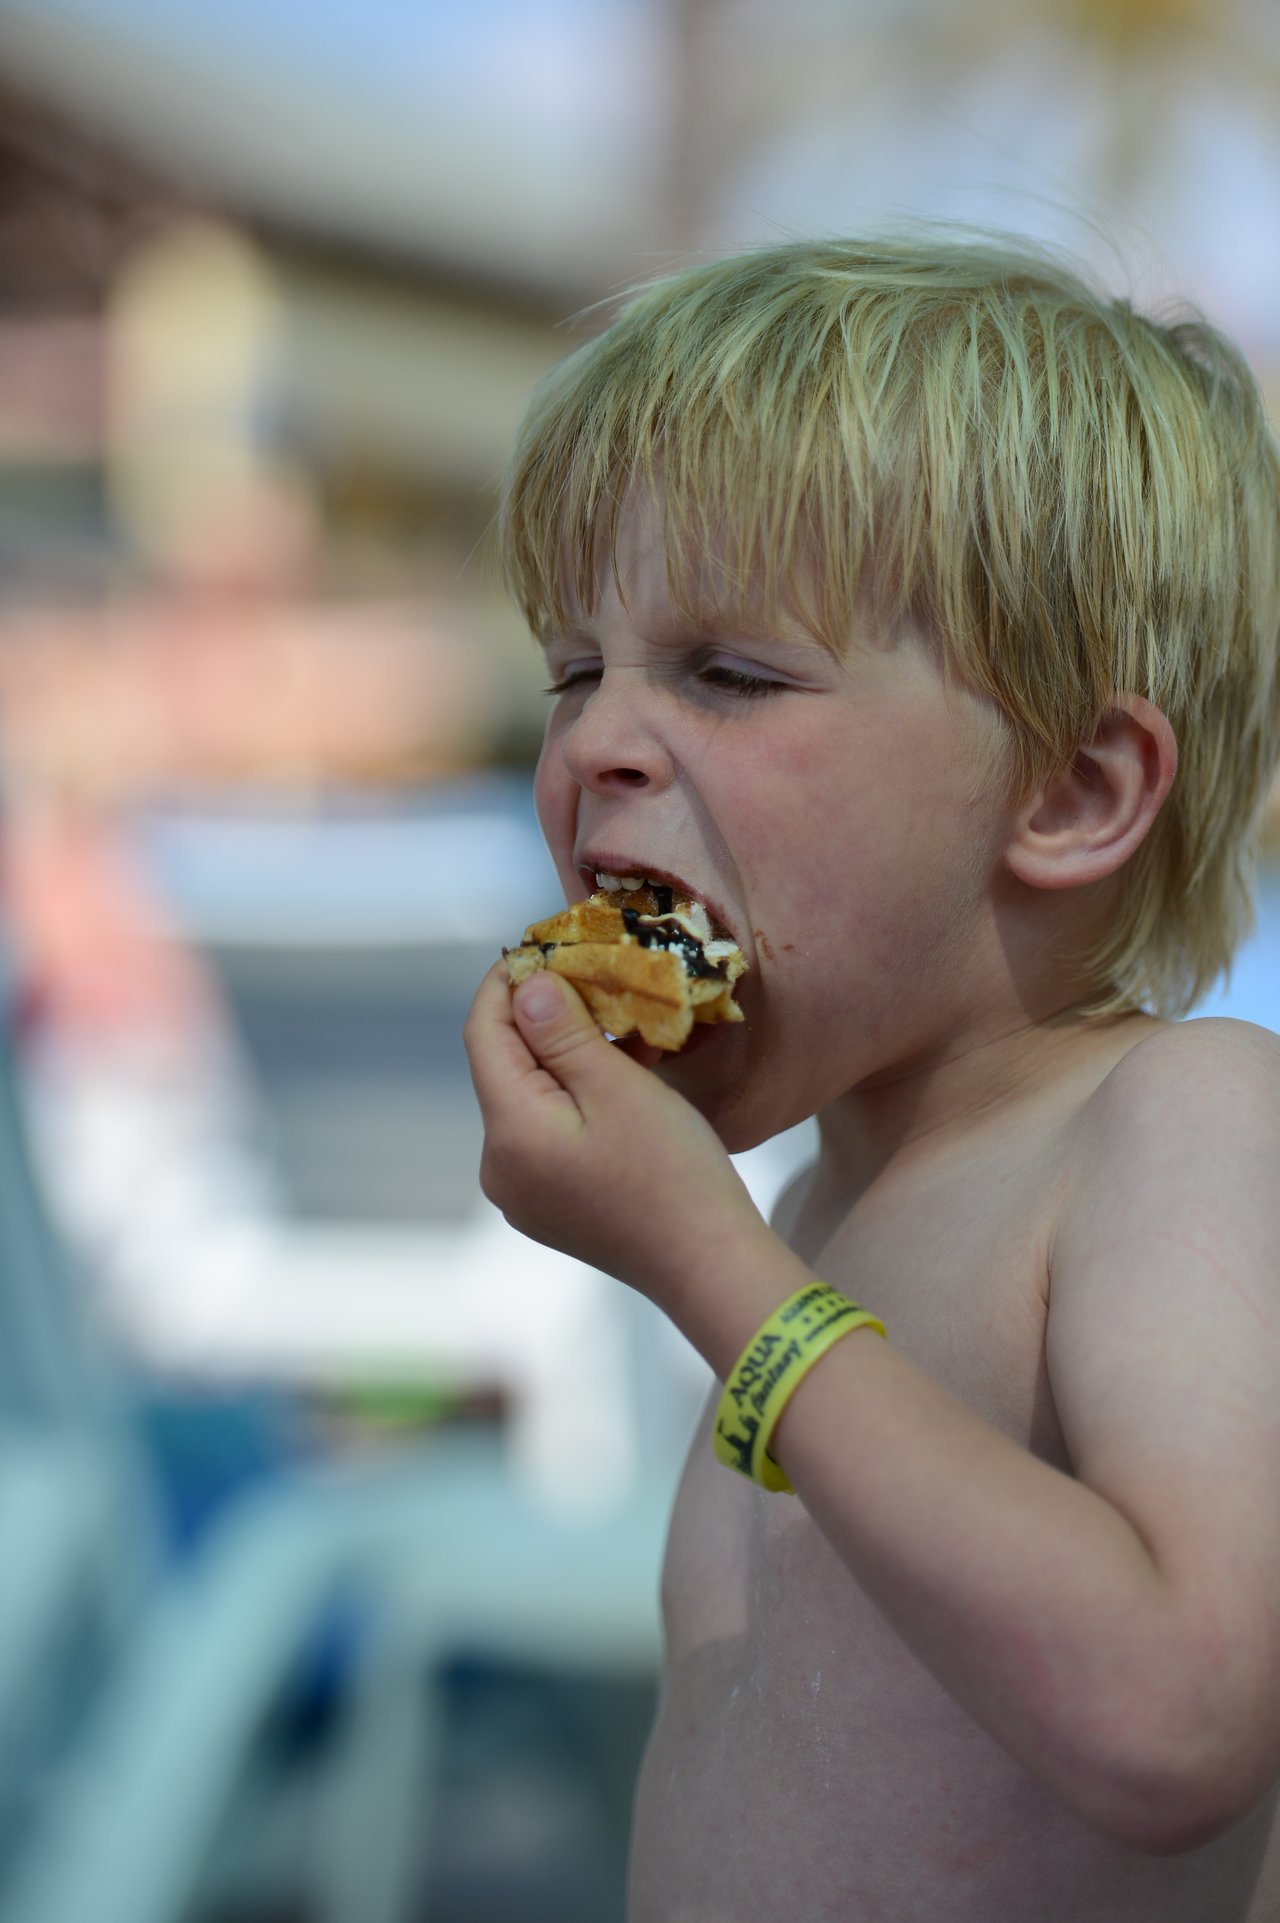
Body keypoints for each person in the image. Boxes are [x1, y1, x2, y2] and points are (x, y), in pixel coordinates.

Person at [464, 233, 1280, 1921]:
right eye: (572, 670)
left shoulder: (1181, 1125)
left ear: (1067, 792)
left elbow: (1182, 1719)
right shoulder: (810, 1210)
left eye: (730, 676)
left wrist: (715, 1274)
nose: (595, 742)